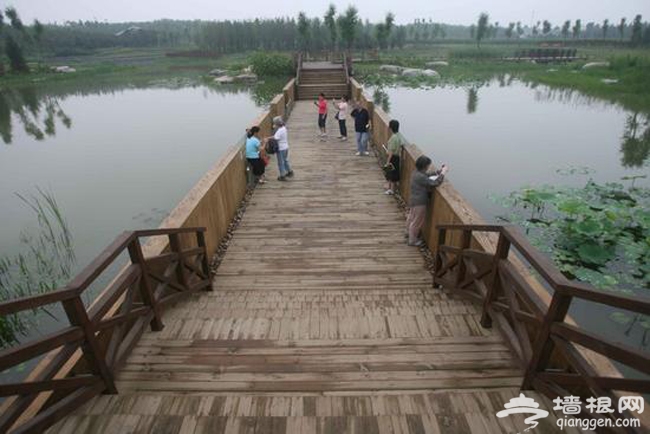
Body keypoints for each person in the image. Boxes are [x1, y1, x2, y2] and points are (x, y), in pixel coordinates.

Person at [406, 155, 449, 247]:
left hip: (413, 200)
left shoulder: (416, 172)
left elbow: (427, 175)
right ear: (425, 166)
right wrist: (443, 173)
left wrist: (438, 172)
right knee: (417, 222)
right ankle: (412, 241)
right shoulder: (420, 176)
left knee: (411, 218)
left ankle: (408, 234)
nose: (429, 166)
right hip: (420, 202)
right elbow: (435, 183)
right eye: (428, 165)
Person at [384, 119, 407, 195]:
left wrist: (387, 162)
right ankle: (392, 189)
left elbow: (391, 151)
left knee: (390, 173)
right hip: (397, 158)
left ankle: (390, 189)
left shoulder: (393, 138)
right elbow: (403, 144)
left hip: (392, 158)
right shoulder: (399, 135)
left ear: (390, 128)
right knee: (394, 173)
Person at [268, 116, 293, 181]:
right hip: (286, 147)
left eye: (274, 123)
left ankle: (282, 176)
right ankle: (290, 171)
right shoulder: (284, 128)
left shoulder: (279, 130)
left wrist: (267, 138)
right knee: (285, 160)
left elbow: (276, 138)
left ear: (277, 124)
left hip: (281, 148)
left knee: (280, 162)